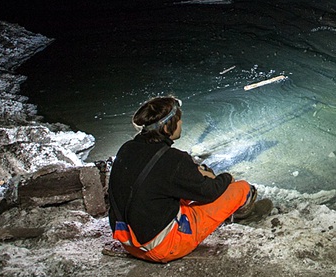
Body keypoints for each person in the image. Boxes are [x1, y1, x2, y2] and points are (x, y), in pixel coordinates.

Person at [108, 95, 263, 263]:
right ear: (167, 127)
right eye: (179, 120)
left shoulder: (126, 148)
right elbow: (210, 192)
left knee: (189, 180)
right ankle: (243, 213)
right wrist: (227, 177)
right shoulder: (174, 159)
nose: (181, 123)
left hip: (130, 243)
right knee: (241, 188)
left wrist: (198, 172)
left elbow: (161, 177)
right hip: (163, 247)